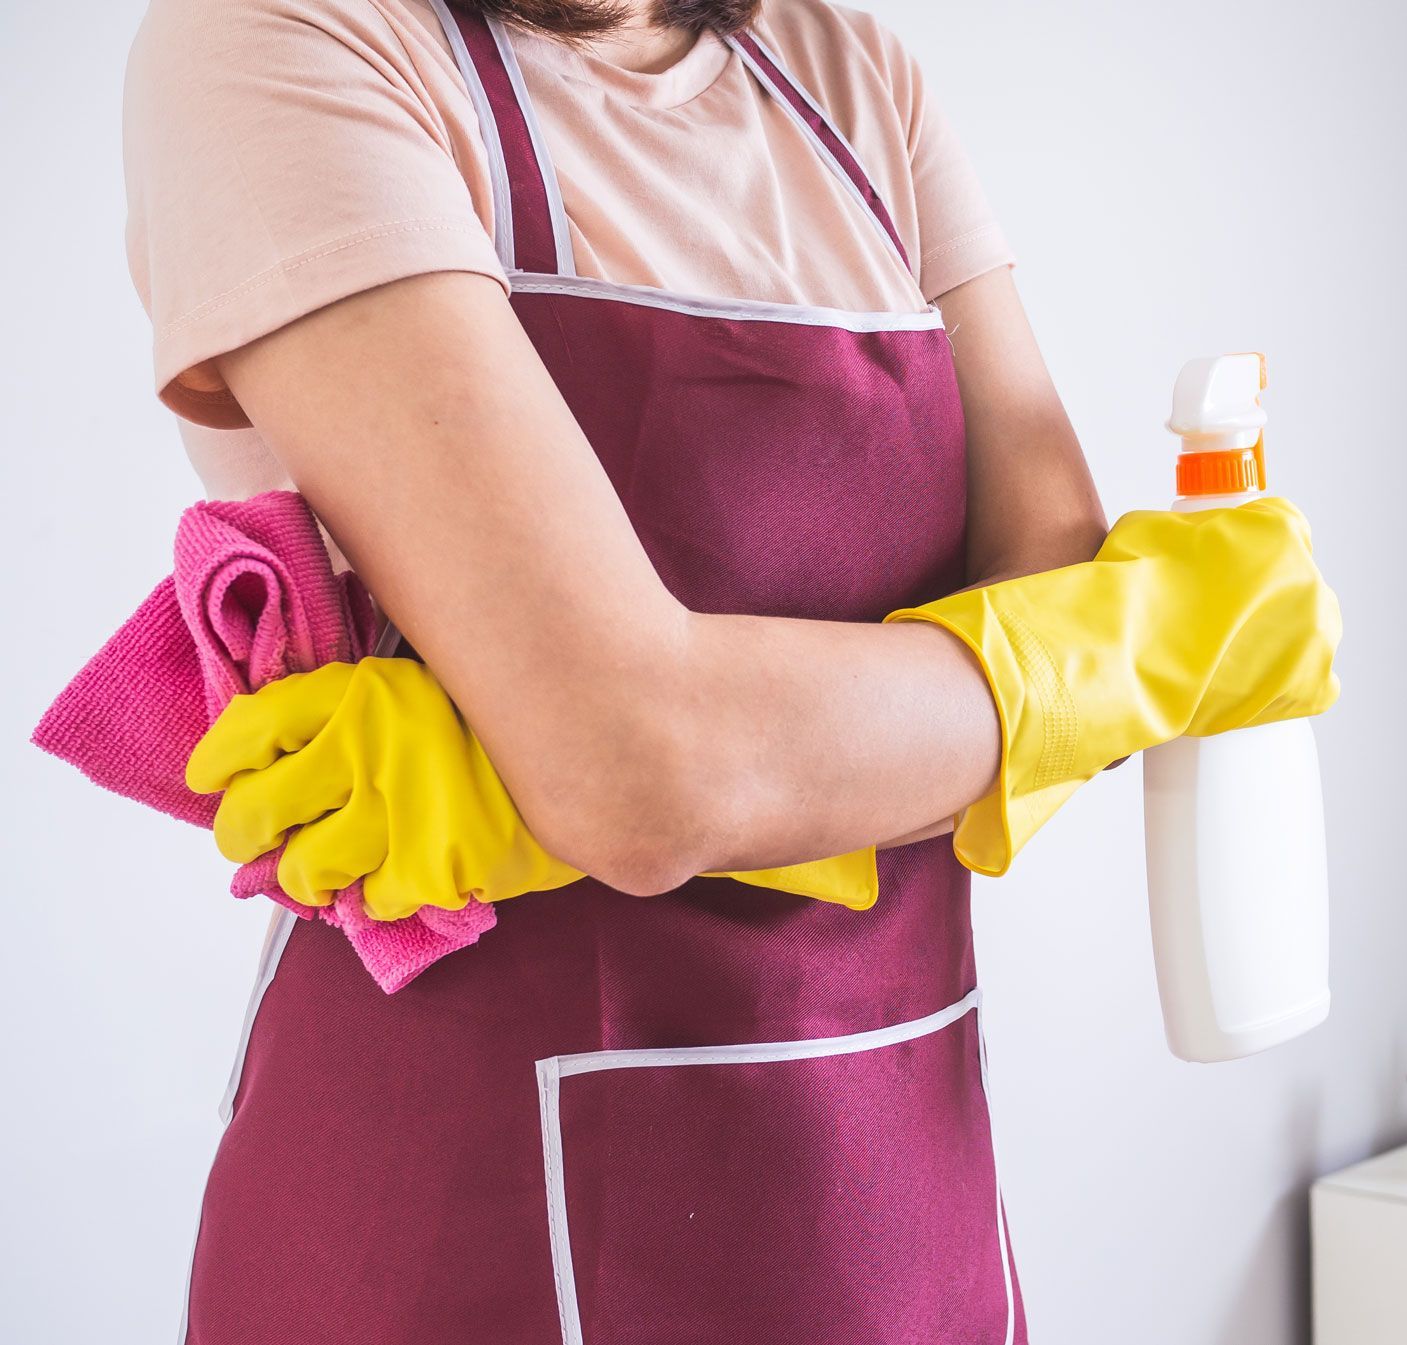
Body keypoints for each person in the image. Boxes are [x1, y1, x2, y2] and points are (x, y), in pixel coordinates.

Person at [124, 1, 1338, 1339]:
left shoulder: (848, 73)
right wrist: (1139, 649)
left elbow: (1039, 575)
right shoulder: (288, 42)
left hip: (889, 1203)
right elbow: (649, 764)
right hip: (461, 1224)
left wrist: (615, 774)